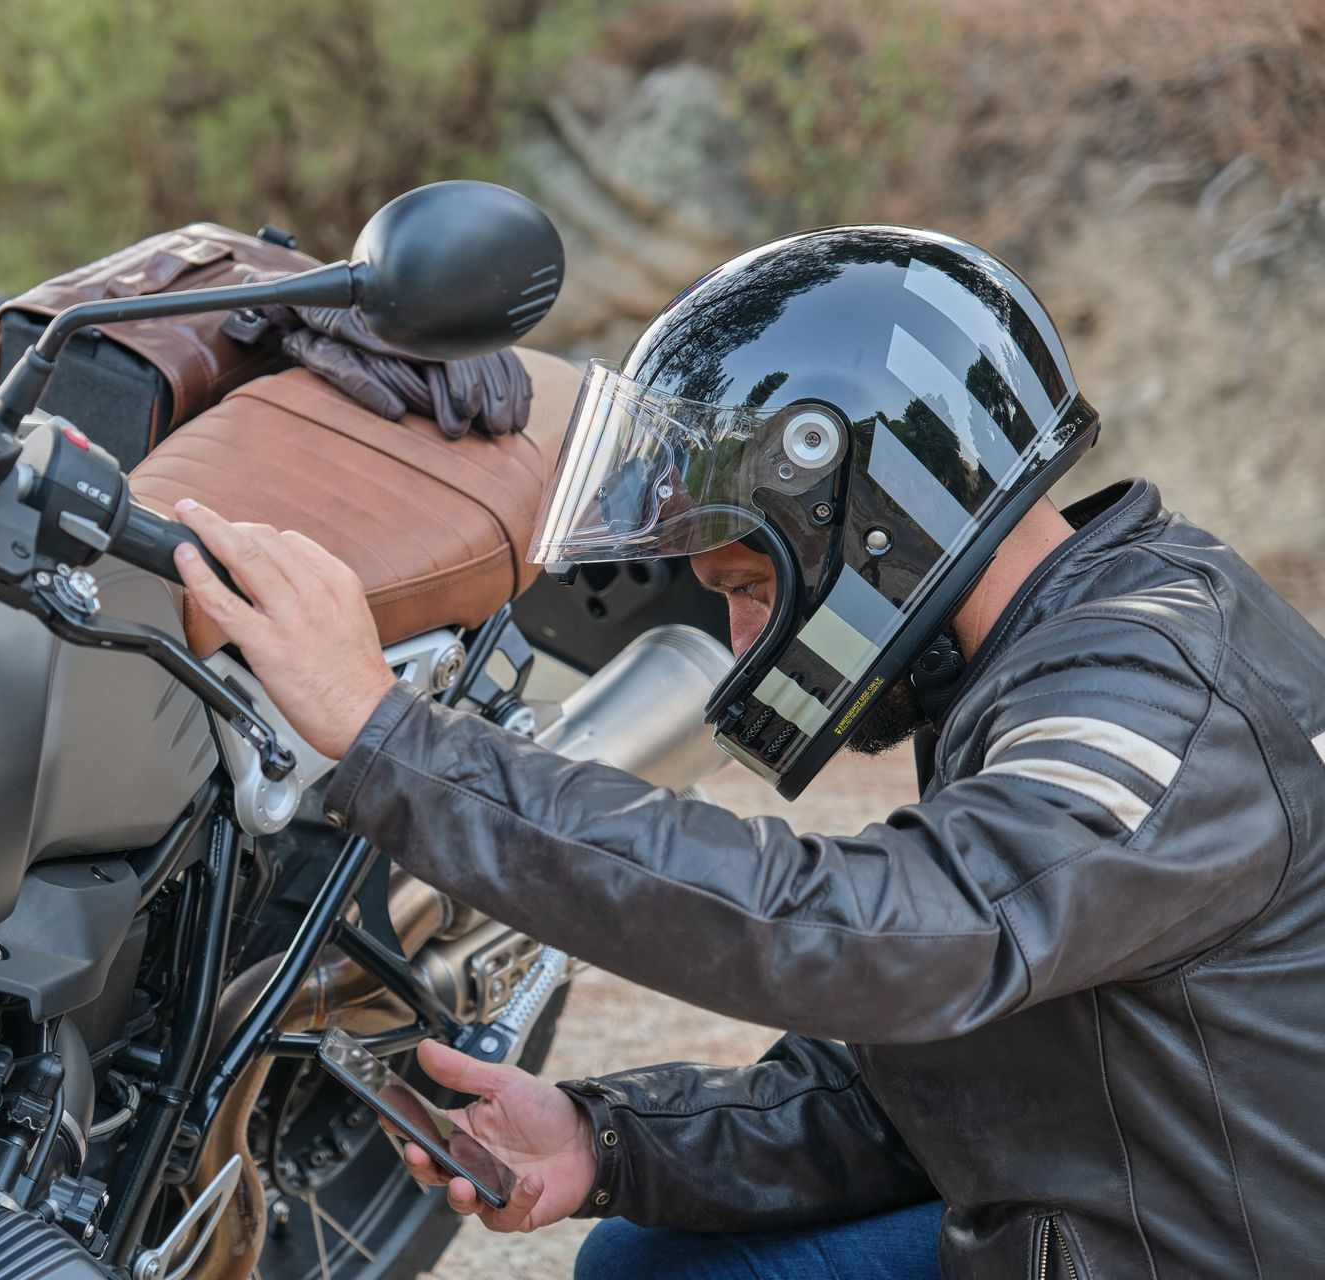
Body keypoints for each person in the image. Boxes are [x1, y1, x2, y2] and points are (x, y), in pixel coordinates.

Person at [167, 226, 1325, 1278]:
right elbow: (933, 1072)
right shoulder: (1057, 643)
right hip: (1118, 1210)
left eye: (748, 583)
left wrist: (389, 736)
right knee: (642, 1262)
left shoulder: (1158, 695)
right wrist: (608, 1139)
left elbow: (874, 940)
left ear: (879, 511)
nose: (739, 641)